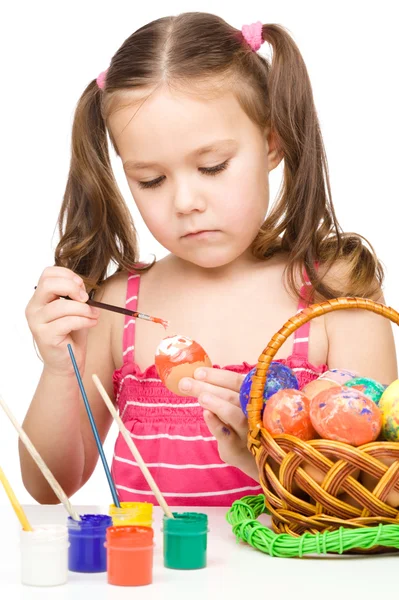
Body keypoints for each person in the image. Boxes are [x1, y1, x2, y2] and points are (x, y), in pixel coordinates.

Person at [22, 13, 397, 507]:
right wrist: (58, 368)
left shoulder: (332, 294)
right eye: (150, 180)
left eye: (212, 166)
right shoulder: (117, 306)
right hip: (155, 583)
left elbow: (378, 493)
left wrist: (259, 456)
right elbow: (52, 487)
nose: (184, 202)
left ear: (271, 142)